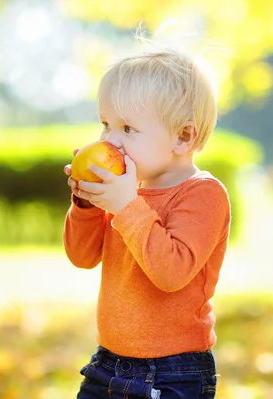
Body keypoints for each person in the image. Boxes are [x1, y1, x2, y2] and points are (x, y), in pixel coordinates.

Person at [63, 36, 231, 399]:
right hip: (107, 364)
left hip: (173, 373)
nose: (110, 140)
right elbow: (82, 257)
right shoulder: (128, 194)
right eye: (106, 124)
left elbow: (170, 273)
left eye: (128, 129)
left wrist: (125, 206)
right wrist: (87, 204)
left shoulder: (203, 194)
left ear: (183, 137)